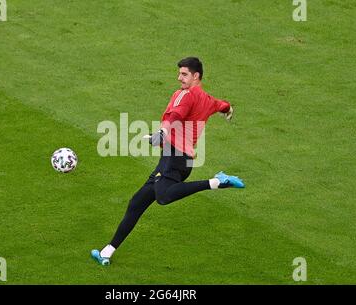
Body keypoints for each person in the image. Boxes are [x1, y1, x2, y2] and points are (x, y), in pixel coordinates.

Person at [91, 57, 245, 266]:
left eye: (184, 74)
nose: (179, 78)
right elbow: (222, 105)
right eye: (179, 73)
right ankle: (106, 252)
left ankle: (218, 182)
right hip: (183, 162)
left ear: (196, 76)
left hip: (174, 158)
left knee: (163, 197)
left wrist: (162, 132)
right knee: (137, 202)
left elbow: (176, 114)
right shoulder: (208, 100)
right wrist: (228, 111)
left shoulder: (185, 95)